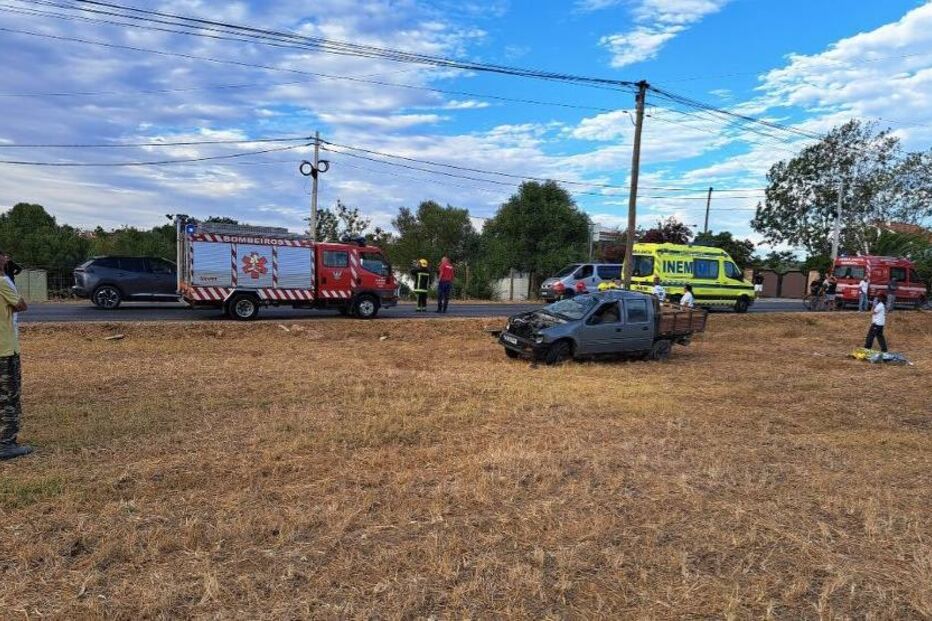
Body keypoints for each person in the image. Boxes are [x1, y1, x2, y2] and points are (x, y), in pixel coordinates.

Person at [0, 250, 30, 460]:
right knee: (8, 397)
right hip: (4, 348)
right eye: (2, 256)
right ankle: (6, 444)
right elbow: (21, 305)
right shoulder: (2, 283)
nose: (6, 258)